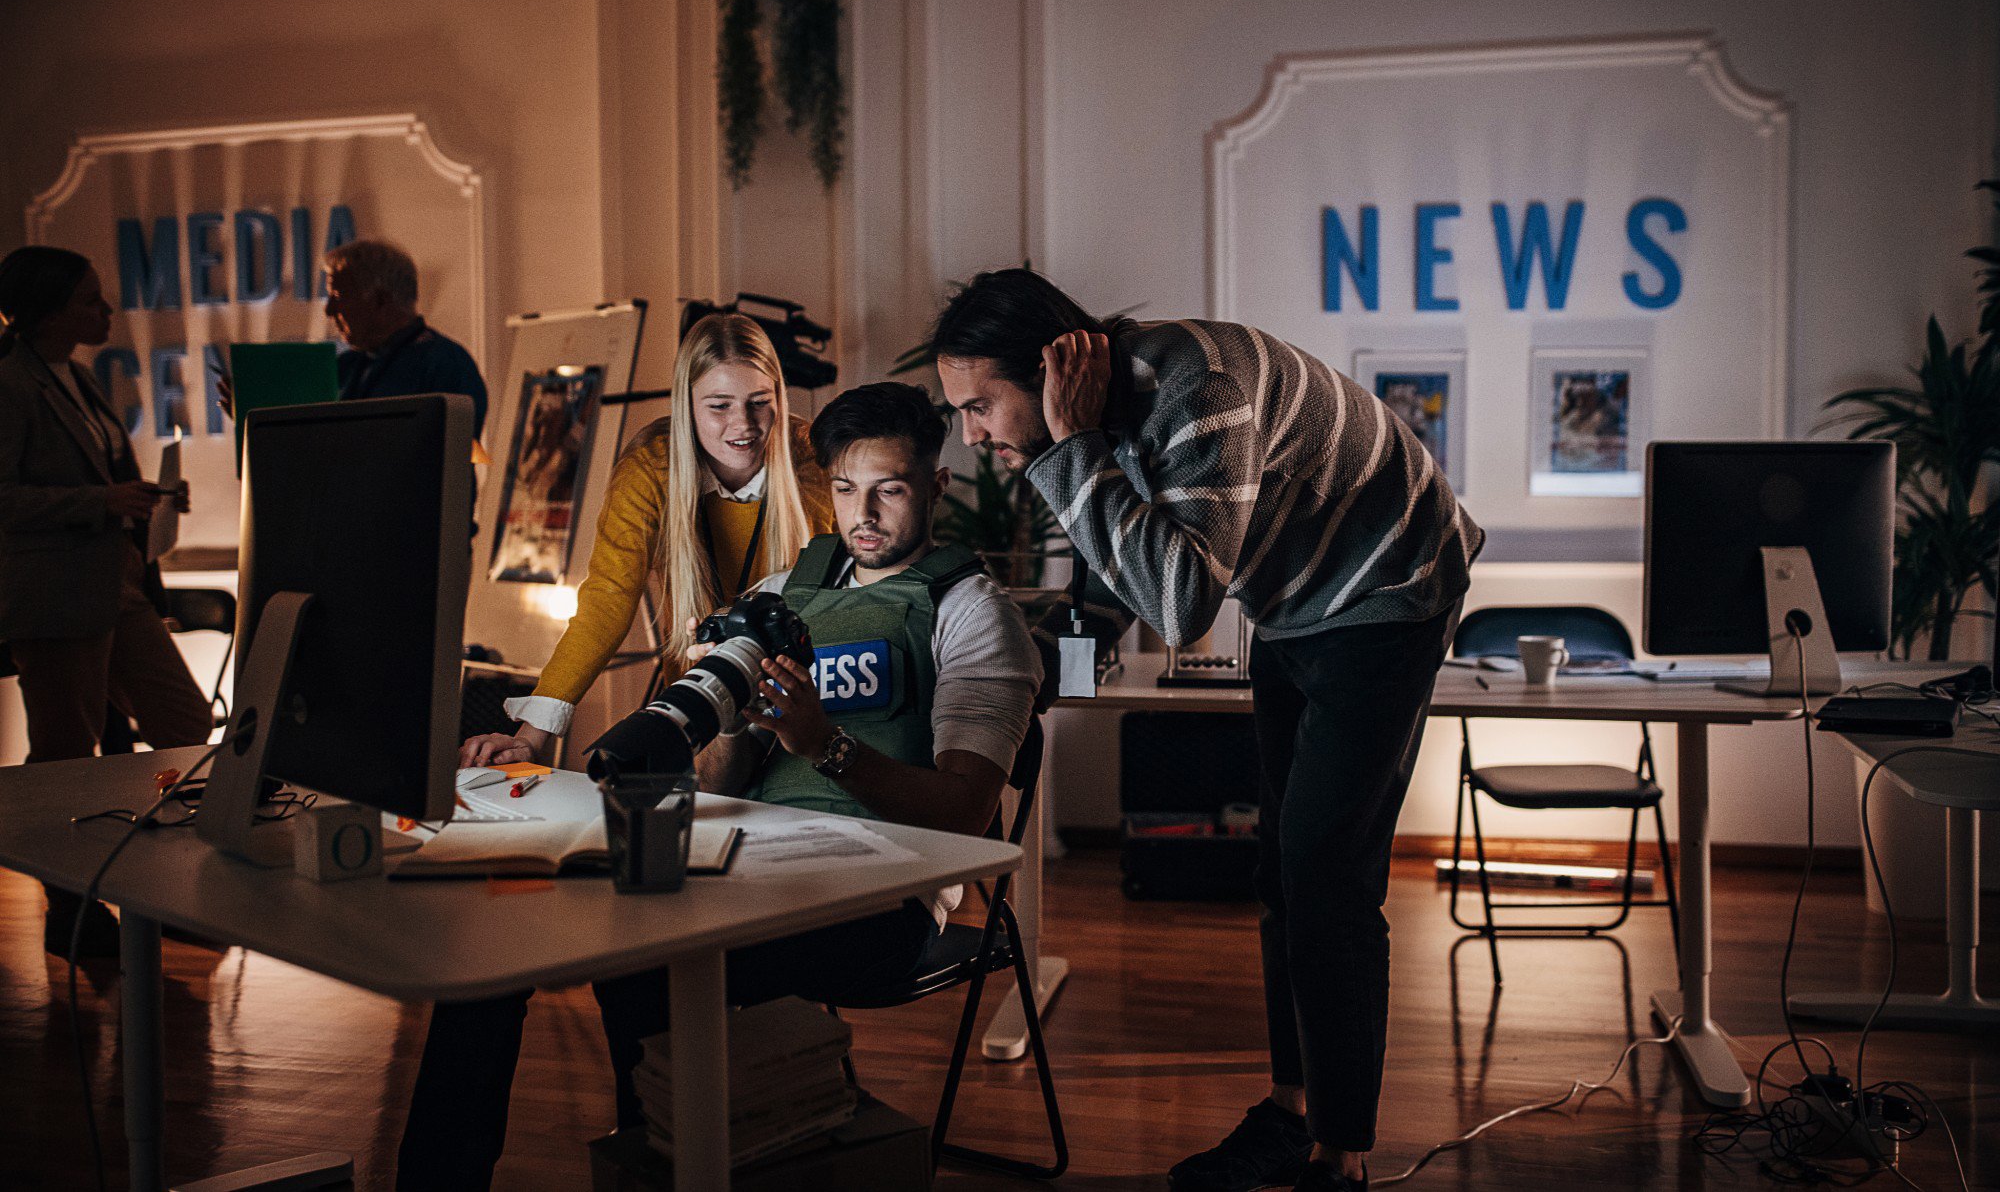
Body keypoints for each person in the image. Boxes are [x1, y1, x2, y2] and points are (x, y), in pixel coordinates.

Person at [397, 381, 1042, 1191]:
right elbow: (712, 779)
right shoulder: (779, 595)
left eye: (890, 489)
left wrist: (823, 743)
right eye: (844, 489)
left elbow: (967, 813)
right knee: (497, 945)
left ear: (937, 486)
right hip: (746, 865)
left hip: (881, 904)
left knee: (638, 958)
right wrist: (736, 723)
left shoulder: (973, 612)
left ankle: (672, 1157)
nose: (862, 513)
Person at [933, 268, 1483, 1192]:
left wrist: (1068, 449)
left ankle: (1339, 1157)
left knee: (1325, 874)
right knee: (1280, 865)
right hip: (1299, 603)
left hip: (1390, 587)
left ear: (1054, 372)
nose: (972, 434)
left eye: (980, 405)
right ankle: (1291, 1112)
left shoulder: (1197, 393)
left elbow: (1182, 604)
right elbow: (1121, 561)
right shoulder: (1100, 418)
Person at [461, 314, 833, 769]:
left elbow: (836, 588)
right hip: (706, 700)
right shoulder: (650, 466)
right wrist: (532, 736)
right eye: (719, 405)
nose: (745, 425)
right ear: (687, 403)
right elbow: (607, 600)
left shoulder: (814, 456)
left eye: (760, 401)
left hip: (807, 697)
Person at [0, 246, 213, 960]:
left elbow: (98, 479)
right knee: (64, 754)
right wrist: (101, 500)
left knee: (185, 724)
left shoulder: (78, 379)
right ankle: (71, 906)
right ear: (53, 309)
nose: (108, 310)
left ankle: (175, 892)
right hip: (55, 599)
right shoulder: (11, 383)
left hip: (113, 585)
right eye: (93, 300)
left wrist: (141, 500)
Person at [323, 239, 489, 436]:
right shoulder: (346, 366)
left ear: (381, 301)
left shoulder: (445, 364)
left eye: (338, 296)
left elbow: (450, 457)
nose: (329, 310)